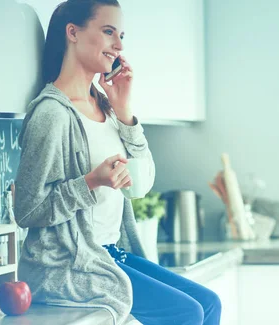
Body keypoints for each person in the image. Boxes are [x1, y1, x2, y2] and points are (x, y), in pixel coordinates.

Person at [14, 1, 221, 324]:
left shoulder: (107, 107)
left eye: (121, 35)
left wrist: (125, 113)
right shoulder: (51, 115)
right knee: (187, 313)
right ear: (73, 33)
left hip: (109, 251)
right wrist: (91, 183)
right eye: (108, 32)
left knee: (208, 303)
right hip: (68, 263)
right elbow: (26, 210)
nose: (119, 45)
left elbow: (141, 186)